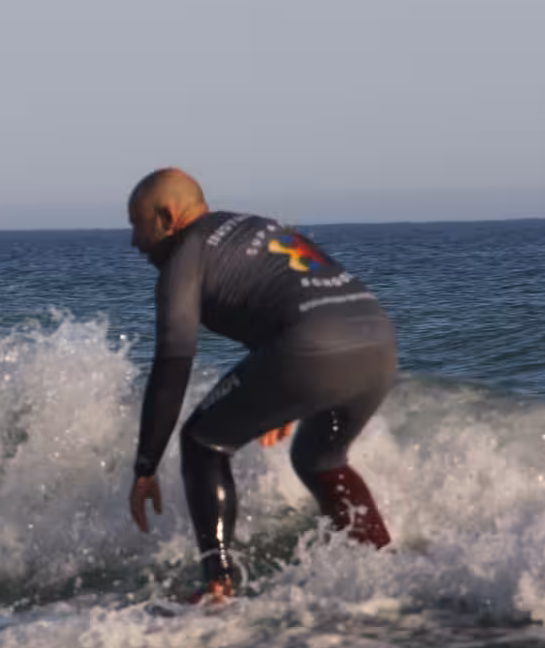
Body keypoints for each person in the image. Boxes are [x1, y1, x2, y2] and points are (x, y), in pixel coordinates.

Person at [126, 168, 397, 603]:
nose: (135, 242)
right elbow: (291, 293)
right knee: (318, 458)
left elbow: (172, 365)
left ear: (167, 215)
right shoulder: (257, 226)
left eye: (137, 224)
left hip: (311, 347)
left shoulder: (184, 259)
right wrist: (283, 395)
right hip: (378, 341)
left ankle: (218, 586)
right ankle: (385, 568)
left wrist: (145, 466)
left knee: (202, 442)